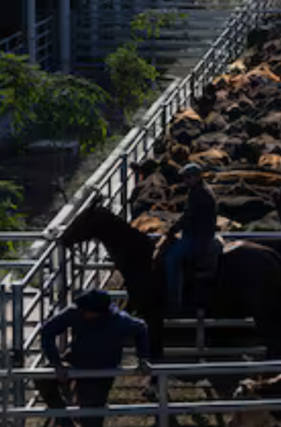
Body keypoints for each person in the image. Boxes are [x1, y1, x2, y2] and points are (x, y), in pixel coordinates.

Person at [38, 289, 150, 427]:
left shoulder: (119, 321)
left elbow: (141, 329)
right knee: (43, 378)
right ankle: (65, 420)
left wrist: (143, 359)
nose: (82, 312)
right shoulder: (77, 313)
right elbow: (47, 331)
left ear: (99, 312)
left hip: (101, 369)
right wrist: (57, 363)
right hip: (77, 359)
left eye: (86, 310)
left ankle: (68, 419)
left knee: (91, 419)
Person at [164, 163, 218, 307]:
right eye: (184, 177)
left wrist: (172, 230)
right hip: (202, 234)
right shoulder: (200, 191)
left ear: (197, 177)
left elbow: (188, 216)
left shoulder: (199, 194)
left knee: (172, 258)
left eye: (188, 177)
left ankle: (174, 299)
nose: (185, 181)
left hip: (198, 237)